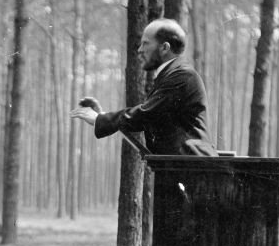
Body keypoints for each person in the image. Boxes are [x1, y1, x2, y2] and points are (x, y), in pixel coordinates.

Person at [70, 18, 214, 157]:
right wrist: (103, 117)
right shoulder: (172, 74)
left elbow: (146, 114)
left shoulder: (182, 76)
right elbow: (147, 115)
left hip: (191, 169)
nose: (139, 50)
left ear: (164, 47)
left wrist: (100, 119)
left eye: (145, 44)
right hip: (181, 167)